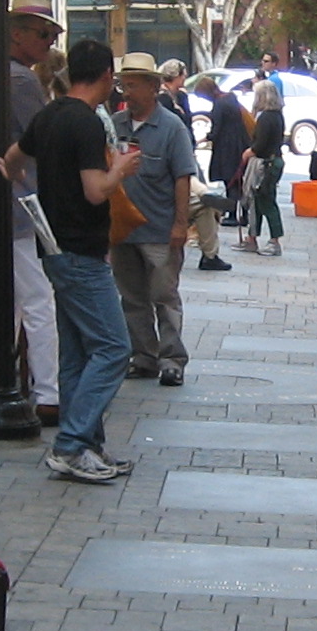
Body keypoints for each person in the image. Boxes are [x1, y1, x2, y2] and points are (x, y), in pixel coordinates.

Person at [9, 39, 142, 482]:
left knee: (79, 352)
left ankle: (88, 445)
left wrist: (28, 185)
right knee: (113, 347)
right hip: (82, 251)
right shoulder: (85, 123)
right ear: (106, 76)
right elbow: (95, 190)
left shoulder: (47, 115)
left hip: (52, 246)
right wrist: (120, 169)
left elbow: (12, 161)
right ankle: (70, 444)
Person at [109, 52, 199, 384]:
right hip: (122, 230)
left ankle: (172, 358)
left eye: (132, 86)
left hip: (159, 229)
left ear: (152, 87)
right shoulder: (115, 125)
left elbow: (182, 177)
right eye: (123, 85)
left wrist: (180, 224)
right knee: (131, 297)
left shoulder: (171, 127)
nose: (126, 93)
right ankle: (143, 355)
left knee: (164, 295)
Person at [3, 0, 65, 425]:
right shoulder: (20, 82)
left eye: (53, 36)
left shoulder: (10, 76)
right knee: (38, 300)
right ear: (17, 34)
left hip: (14, 199)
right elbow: (44, 138)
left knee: (21, 300)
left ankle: (28, 383)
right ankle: (48, 391)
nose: (49, 42)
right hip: (22, 203)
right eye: (43, 34)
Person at [195, 74, 248, 269]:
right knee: (236, 177)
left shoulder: (219, 105)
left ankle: (232, 212)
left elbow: (216, 129)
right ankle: (242, 212)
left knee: (230, 179)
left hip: (226, 147)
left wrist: (204, 138)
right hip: (239, 143)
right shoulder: (231, 98)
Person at [239, 79, 286, 255]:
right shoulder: (277, 115)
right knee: (257, 201)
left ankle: (275, 240)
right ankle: (252, 237)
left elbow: (261, 144)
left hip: (266, 163)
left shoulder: (266, 117)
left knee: (266, 201)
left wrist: (248, 152)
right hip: (272, 161)